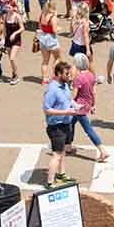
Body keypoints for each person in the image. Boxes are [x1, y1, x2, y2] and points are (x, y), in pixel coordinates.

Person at [42, 60, 78, 188]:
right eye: (66, 73)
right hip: (56, 126)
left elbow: (68, 100)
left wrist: (75, 105)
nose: (68, 75)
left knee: (62, 152)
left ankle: (61, 175)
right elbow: (47, 109)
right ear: (58, 74)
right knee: (57, 155)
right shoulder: (52, 89)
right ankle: (50, 182)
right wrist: (65, 111)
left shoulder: (65, 85)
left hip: (66, 123)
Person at [70, 53, 108, 162]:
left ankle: (102, 151)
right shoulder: (91, 75)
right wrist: (93, 105)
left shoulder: (78, 78)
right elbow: (93, 92)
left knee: (88, 129)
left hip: (78, 107)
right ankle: (68, 145)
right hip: (86, 104)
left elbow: (74, 95)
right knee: (70, 123)